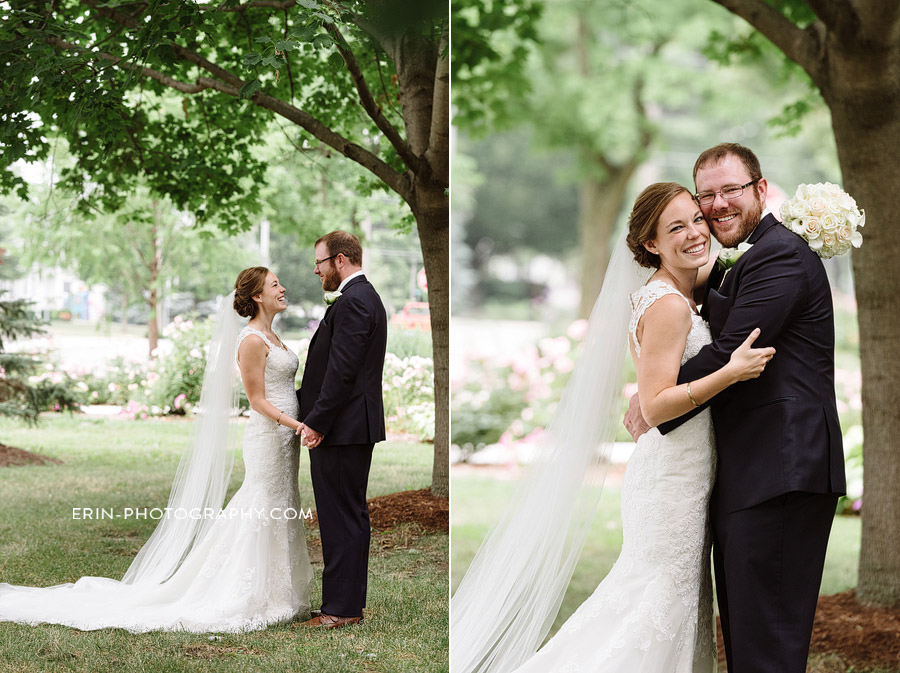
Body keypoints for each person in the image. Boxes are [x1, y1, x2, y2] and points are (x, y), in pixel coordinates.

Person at [451, 182, 775, 673]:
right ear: (650, 244)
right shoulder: (667, 304)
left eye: (696, 219)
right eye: (676, 227)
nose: (694, 233)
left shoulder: (675, 294)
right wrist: (730, 371)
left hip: (683, 476)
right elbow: (657, 406)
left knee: (666, 600)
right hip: (670, 481)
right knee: (652, 604)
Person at [626, 143, 846, 672]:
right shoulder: (743, 260)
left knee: (766, 640)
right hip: (754, 473)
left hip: (782, 471)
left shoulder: (780, 254)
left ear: (761, 190)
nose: (718, 205)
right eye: (708, 196)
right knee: (750, 637)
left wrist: (655, 403)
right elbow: (695, 301)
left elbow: (729, 352)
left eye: (731, 190)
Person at [0, 266, 314, 633]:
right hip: (268, 435)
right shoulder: (251, 341)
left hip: (285, 440)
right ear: (257, 296)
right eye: (275, 285)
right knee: (260, 505)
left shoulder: (273, 336)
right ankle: (245, 593)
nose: (283, 288)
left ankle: (279, 593)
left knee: (281, 504)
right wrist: (298, 425)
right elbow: (257, 400)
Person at [295, 230, 387, 629]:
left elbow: (341, 373)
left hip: (343, 428)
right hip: (349, 426)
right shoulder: (361, 298)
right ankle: (343, 604)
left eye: (319, 262)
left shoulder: (354, 302)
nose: (316, 270)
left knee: (341, 516)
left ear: (340, 260)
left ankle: (342, 609)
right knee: (346, 514)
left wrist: (317, 422)